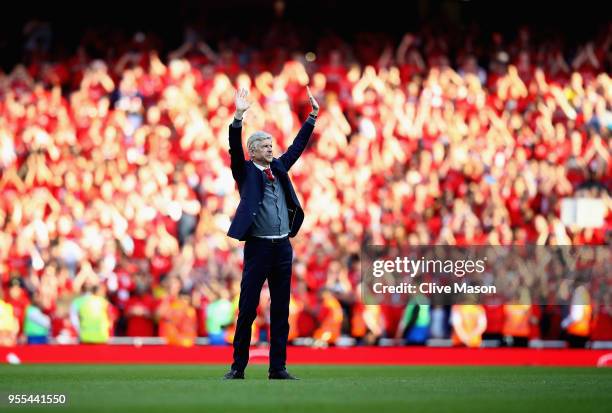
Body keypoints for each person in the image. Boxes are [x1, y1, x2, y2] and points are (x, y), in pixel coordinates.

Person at [223, 86, 319, 380]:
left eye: (270, 145)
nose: (270, 149)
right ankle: (238, 367)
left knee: (280, 309)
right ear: (253, 151)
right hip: (258, 248)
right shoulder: (245, 171)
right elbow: (234, 148)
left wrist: (312, 118)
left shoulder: (278, 167)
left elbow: (296, 148)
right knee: (248, 308)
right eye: (264, 145)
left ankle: (278, 367)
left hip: (282, 248)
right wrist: (238, 118)